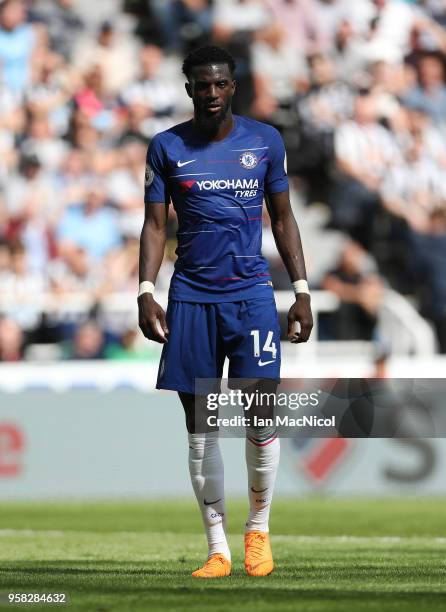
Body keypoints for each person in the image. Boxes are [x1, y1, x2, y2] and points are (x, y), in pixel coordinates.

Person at [138, 45, 313, 579]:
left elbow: (282, 219)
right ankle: (217, 549)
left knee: (261, 418)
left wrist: (302, 290)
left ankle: (258, 534)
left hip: (252, 297)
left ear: (232, 86)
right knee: (200, 425)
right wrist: (147, 289)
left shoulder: (265, 141)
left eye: (220, 84)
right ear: (188, 88)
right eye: (201, 85)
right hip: (191, 297)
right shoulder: (166, 147)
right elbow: (154, 225)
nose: (211, 93)